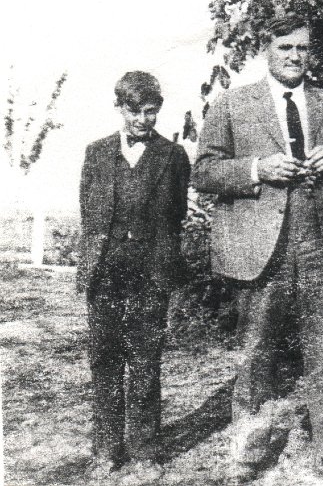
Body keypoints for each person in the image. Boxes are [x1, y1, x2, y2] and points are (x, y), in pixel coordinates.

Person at [193, 13, 323, 474]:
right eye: (285, 47)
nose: (294, 56)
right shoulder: (232, 104)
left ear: (311, 53)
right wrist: (255, 169)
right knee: (256, 350)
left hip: (320, 242)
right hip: (261, 244)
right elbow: (203, 171)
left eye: (302, 48)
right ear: (266, 50)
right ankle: (248, 447)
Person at [77, 71, 190, 483]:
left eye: (152, 111)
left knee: (145, 361)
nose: (145, 119)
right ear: (119, 107)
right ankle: (106, 449)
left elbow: (175, 217)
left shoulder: (173, 156)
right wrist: (92, 263)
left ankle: (144, 450)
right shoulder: (96, 152)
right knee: (104, 361)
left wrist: (162, 266)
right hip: (104, 274)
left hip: (149, 275)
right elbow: (89, 214)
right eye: (136, 111)